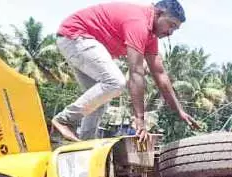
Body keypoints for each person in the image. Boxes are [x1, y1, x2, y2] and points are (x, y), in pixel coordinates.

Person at [51, 0, 200, 143]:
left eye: (175, 29)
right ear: (158, 13)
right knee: (115, 83)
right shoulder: (138, 22)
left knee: (100, 101)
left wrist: (179, 110)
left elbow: (160, 74)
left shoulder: (150, 36)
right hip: (76, 36)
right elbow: (136, 72)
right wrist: (139, 120)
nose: (171, 32)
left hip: (76, 41)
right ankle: (64, 120)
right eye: (171, 25)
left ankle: (84, 145)